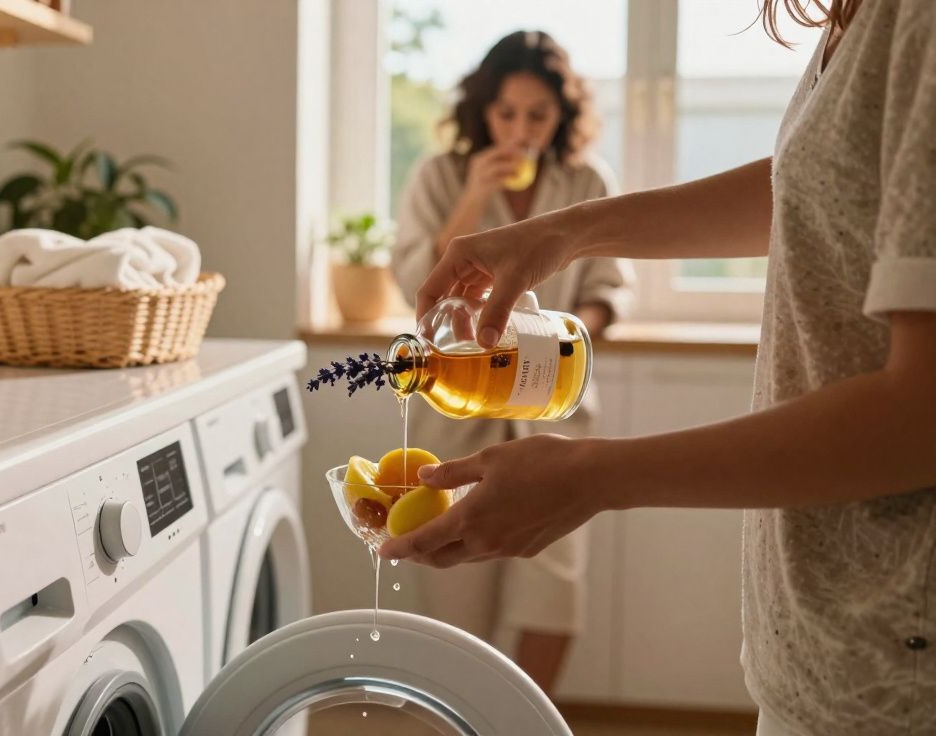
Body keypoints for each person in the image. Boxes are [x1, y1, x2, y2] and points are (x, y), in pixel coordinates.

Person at [380, 1, 936, 734]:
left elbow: (919, 413)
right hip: (815, 642)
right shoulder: (857, 25)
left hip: (896, 654)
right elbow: (810, 188)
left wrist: (592, 476)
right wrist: (566, 232)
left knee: (551, 597)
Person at [391, 29, 633, 694]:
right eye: (507, 113)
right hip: (456, 410)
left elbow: (609, 290)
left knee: (556, 595)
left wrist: (556, 340)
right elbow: (414, 280)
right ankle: (462, 719)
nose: (521, 131)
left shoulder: (587, 182)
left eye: (538, 115)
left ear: (562, 117)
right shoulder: (439, 175)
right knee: (454, 596)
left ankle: (519, 721)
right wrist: (473, 196)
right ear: (482, 110)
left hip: (554, 405)